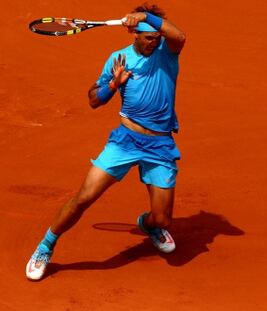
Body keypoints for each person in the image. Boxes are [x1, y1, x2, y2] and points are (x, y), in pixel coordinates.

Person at [26, 3, 186, 281]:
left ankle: (148, 225)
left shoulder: (167, 53)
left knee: (162, 219)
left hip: (160, 145)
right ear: (134, 35)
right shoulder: (118, 59)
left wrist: (146, 18)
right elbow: (93, 101)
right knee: (84, 198)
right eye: (148, 38)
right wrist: (113, 85)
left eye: (157, 37)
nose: (154, 42)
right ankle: (45, 246)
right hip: (125, 141)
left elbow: (179, 37)